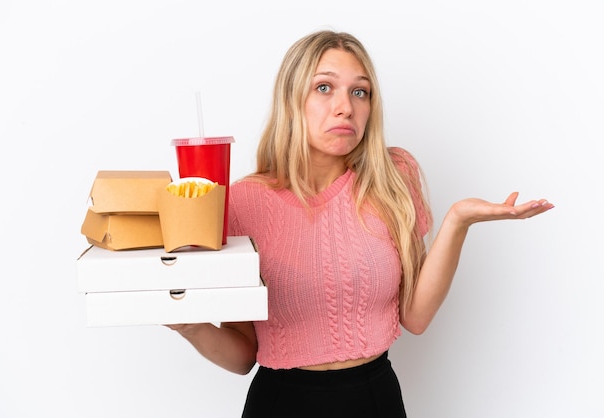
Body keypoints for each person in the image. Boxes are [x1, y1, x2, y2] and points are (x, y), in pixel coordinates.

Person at [166, 30, 554, 417]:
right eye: (324, 87)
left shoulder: (394, 177)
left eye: (359, 91)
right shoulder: (241, 203)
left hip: (375, 399)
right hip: (281, 402)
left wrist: (458, 221)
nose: (345, 108)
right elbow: (242, 355)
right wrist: (191, 327)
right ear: (291, 99)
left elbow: (415, 317)